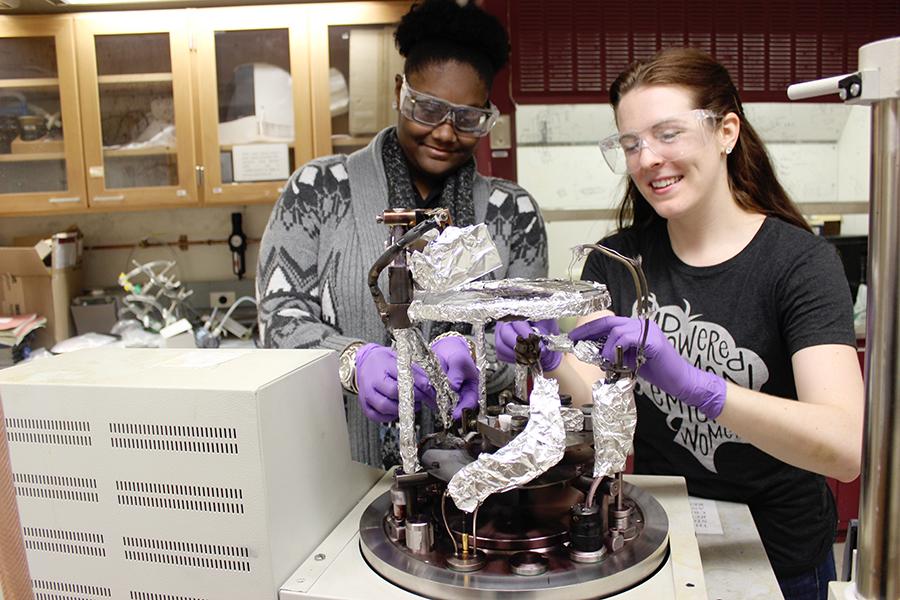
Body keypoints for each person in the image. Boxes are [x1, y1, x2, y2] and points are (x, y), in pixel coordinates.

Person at [495, 48, 863, 600]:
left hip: (779, 558)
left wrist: (699, 386)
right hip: (661, 543)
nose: (647, 159)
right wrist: (549, 358)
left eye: (668, 134)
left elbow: (843, 446)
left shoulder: (799, 263)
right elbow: (602, 400)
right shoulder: (615, 261)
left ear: (726, 132)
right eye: (631, 143)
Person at [257, 0, 548, 469]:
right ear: (400, 91)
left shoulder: (512, 213)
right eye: (428, 108)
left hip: (478, 473)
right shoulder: (318, 191)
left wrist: (475, 359)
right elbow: (279, 321)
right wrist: (354, 361)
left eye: (469, 119)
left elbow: (524, 344)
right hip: (342, 471)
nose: (445, 133)